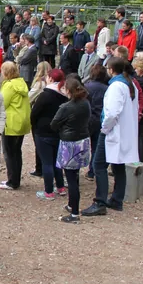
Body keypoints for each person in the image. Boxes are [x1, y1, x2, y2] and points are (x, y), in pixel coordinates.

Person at [81, 58, 139, 216]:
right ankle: (117, 198)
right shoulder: (130, 84)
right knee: (118, 165)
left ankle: (100, 201)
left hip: (112, 131)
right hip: (123, 131)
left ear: (111, 69)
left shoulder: (116, 86)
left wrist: (105, 128)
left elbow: (112, 112)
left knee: (99, 165)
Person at [51, 77, 91, 222]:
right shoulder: (85, 103)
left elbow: (54, 124)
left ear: (68, 90)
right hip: (83, 140)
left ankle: (74, 213)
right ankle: (71, 204)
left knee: (71, 178)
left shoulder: (66, 107)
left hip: (69, 143)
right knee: (76, 176)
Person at [31, 69, 68, 200]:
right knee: (57, 161)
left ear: (51, 79)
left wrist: (34, 126)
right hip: (58, 131)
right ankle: (60, 187)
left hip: (43, 131)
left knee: (47, 162)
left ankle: (48, 191)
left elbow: (34, 113)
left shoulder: (45, 95)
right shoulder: (64, 95)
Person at [0, 62, 31, 190]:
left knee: (9, 152)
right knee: (17, 152)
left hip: (11, 122)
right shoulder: (21, 83)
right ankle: (15, 179)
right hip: (21, 121)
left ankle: (12, 181)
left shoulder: (9, 86)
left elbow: (2, 103)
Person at [84, 64, 108, 181]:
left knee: (82, 145)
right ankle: (92, 171)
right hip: (100, 119)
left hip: (88, 119)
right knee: (96, 147)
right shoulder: (107, 88)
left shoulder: (86, 87)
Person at [29, 61, 52, 177]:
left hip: (39, 113)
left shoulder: (39, 83)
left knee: (39, 143)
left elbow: (29, 97)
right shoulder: (53, 82)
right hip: (51, 114)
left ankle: (40, 168)